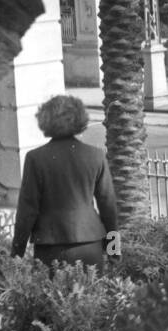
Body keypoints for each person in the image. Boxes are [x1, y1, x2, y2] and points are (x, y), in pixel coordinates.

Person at [11, 94, 118, 265]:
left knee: (52, 291)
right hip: (90, 242)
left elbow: (27, 210)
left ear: (45, 121)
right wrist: (114, 250)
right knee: (90, 290)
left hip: (50, 245)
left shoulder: (35, 158)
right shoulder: (96, 156)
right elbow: (109, 207)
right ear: (80, 119)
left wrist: (17, 252)